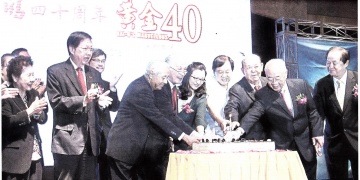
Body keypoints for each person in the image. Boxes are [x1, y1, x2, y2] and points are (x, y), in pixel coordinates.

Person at [106, 60, 200, 180]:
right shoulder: (141, 89)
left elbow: (166, 116)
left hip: (132, 151)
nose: (165, 82)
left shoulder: (147, 85)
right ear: (151, 74)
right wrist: (185, 137)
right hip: (123, 150)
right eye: (163, 77)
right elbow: (158, 117)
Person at [232, 59, 324, 180]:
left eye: (277, 78)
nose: (274, 82)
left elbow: (312, 111)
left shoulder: (301, 85)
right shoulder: (263, 94)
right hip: (282, 147)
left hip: (305, 145)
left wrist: (317, 133)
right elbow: (253, 114)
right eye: (269, 78)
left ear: (285, 73)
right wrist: (239, 131)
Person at [46, 31, 113, 180]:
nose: (89, 53)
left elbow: (94, 100)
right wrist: (84, 100)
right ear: (72, 48)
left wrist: (99, 102)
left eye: (90, 49)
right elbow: (56, 101)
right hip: (67, 141)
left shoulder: (94, 73)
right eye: (85, 48)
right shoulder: (55, 71)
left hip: (91, 140)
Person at [313, 46, 358, 180]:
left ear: (346, 63)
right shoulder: (321, 84)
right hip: (334, 142)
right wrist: (317, 134)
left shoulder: (358, 79)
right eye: (328, 62)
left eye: (334, 63)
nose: (330, 66)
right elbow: (317, 113)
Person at [2, 55, 48, 179]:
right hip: (15, 158)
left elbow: (44, 118)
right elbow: (6, 123)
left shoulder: (33, 93)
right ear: (15, 77)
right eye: (28, 75)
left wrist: (38, 113)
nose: (32, 79)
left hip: (36, 155)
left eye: (33, 75)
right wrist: (29, 111)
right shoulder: (6, 95)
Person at [89, 48, 121, 180]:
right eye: (97, 60)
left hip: (106, 133)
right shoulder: (83, 83)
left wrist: (112, 88)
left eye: (103, 61)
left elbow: (115, 107)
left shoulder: (107, 83)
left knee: (106, 170)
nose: (100, 64)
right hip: (90, 133)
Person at [224, 54, 268, 140]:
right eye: (249, 68)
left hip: (274, 136)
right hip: (251, 136)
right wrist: (234, 121)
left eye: (256, 66)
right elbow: (231, 107)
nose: (253, 71)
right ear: (242, 70)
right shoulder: (236, 89)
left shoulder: (269, 83)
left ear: (262, 66)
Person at [174, 62, 207, 150]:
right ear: (187, 75)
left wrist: (201, 137)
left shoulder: (201, 97)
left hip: (187, 142)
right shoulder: (175, 91)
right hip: (170, 137)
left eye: (201, 79)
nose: (198, 82)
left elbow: (200, 119)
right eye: (195, 78)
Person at [204, 55, 234, 137]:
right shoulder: (208, 86)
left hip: (229, 134)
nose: (224, 75)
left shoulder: (234, 86)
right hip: (210, 133)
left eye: (227, 72)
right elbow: (209, 106)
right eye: (220, 72)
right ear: (214, 72)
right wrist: (221, 121)